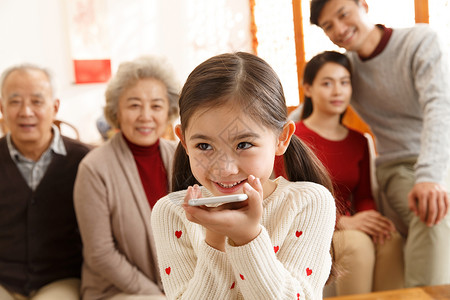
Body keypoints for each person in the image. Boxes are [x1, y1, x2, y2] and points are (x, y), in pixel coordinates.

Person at [150, 52, 336, 299]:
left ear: (282, 138)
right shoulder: (171, 212)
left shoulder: (309, 202)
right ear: (184, 141)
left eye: (244, 144)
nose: (225, 168)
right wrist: (214, 241)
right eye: (204, 146)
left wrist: (247, 237)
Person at [310, 0, 450, 287]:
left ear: (363, 5)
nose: (340, 29)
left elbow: (439, 106)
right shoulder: (346, 73)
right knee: (431, 214)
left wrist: (430, 176)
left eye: (343, 14)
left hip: (437, 158)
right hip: (401, 166)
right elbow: (311, 111)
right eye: (328, 26)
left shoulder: (419, 40)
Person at [276, 51, 404, 295]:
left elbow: (365, 195)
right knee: (357, 244)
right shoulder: (292, 137)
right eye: (327, 83)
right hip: (312, 226)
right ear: (309, 89)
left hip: (351, 224)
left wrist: (370, 220)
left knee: (392, 240)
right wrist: (345, 222)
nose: (338, 91)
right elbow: (289, 197)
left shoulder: (359, 141)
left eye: (344, 82)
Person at [73, 55, 179, 300]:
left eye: (156, 106)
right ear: (116, 111)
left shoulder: (180, 156)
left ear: (168, 111)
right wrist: (157, 295)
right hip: (115, 290)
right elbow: (100, 254)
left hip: (175, 286)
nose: (145, 116)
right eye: (134, 105)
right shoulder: (94, 167)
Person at [0, 64, 91, 299]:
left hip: (60, 278)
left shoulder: (85, 160)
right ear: (2, 108)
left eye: (37, 101)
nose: (26, 111)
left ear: (55, 107)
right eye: (15, 101)